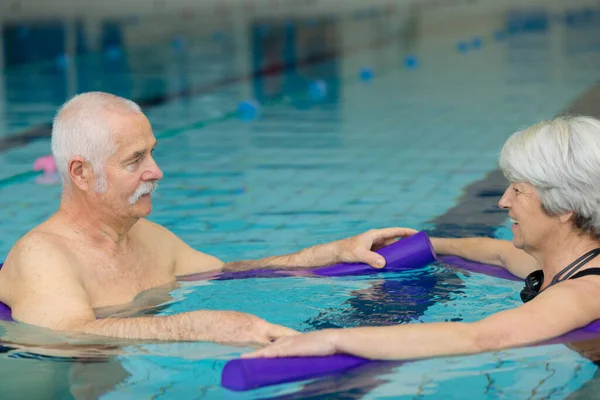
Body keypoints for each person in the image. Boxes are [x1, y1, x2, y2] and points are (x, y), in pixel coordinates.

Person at [0, 92, 411, 346]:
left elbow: (228, 272)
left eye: (152, 152)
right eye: (135, 160)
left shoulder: (146, 236)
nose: (156, 171)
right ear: (81, 173)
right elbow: (63, 337)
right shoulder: (43, 256)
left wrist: (331, 252)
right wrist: (199, 325)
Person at [245, 115, 600, 360]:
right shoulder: (562, 262)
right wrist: (427, 244)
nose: (503, 201)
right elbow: (497, 253)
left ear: (565, 206)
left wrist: (333, 338)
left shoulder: (581, 292)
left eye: (518, 191)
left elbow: (478, 338)